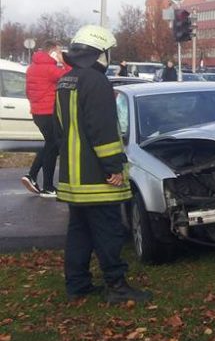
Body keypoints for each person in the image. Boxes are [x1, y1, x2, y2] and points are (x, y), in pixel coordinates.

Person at [55, 25, 151, 304]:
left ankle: (77, 285)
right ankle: (117, 287)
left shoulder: (66, 81)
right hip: (97, 177)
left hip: (74, 177)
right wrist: (112, 167)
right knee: (108, 231)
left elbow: (58, 130)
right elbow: (103, 131)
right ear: (99, 53)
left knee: (79, 232)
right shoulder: (95, 83)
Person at [22, 40, 68, 197]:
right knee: (53, 146)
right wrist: (65, 62)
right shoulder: (50, 69)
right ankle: (46, 186)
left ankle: (32, 176)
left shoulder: (32, 67)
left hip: (37, 113)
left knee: (50, 145)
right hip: (49, 113)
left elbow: (28, 92)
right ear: (52, 52)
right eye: (59, 52)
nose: (61, 54)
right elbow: (69, 77)